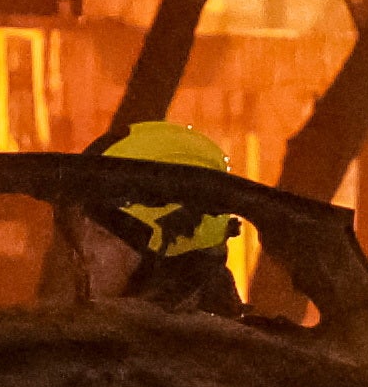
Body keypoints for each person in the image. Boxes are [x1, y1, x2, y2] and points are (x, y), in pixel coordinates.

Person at [58, 115, 257, 314]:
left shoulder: (194, 343)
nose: (86, 250)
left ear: (164, 256)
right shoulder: (111, 333)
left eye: (103, 235)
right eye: (85, 232)